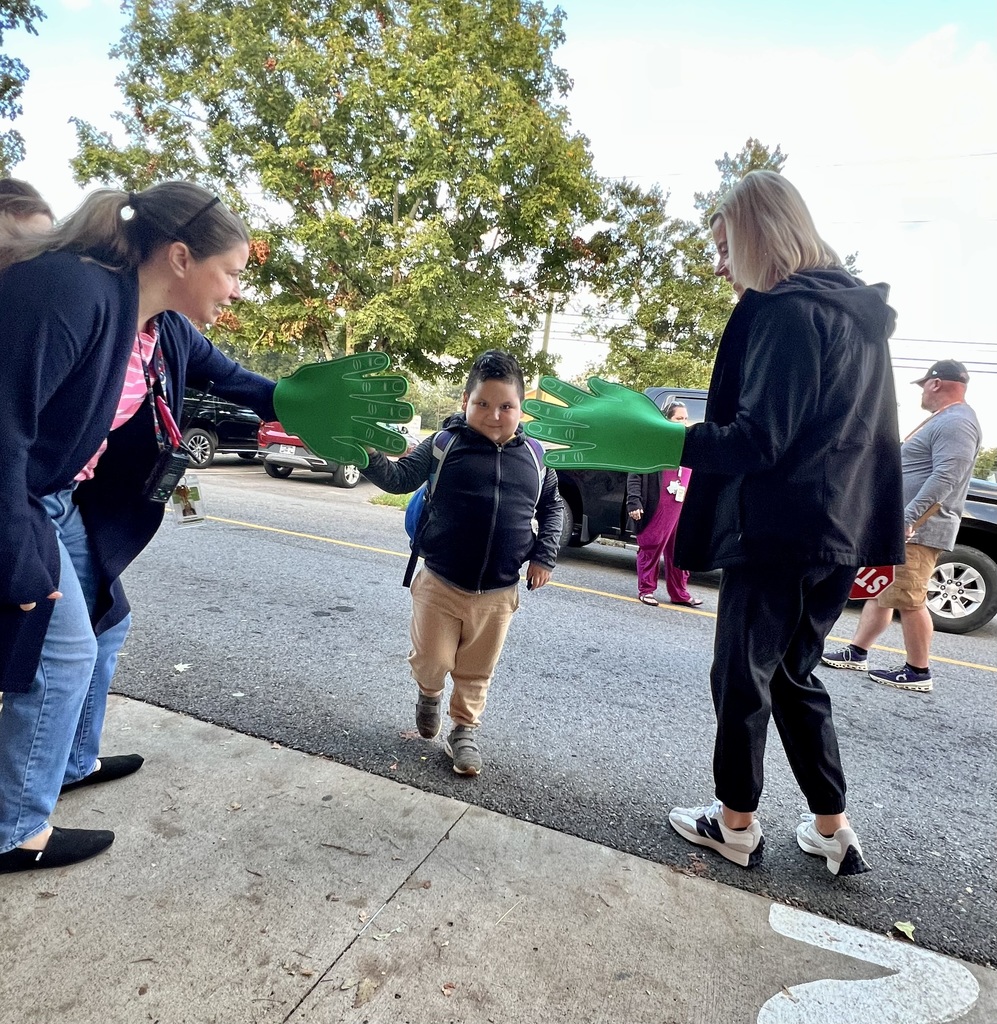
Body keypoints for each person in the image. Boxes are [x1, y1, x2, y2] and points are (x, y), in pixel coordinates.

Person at [0, 181, 279, 873]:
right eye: (231, 273)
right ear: (181, 257)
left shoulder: (162, 327)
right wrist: (17, 560)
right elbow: (4, 435)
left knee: (107, 623)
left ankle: (71, 762)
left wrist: (303, 403)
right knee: (63, 655)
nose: (236, 291)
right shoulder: (71, 291)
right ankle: (13, 830)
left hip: (61, 499)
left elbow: (241, 382)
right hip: (21, 501)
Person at [662, 171, 904, 875]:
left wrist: (665, 439)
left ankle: (734, 825)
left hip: (776, 530)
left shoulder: (785, 310)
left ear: (758, 236)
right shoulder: (854, 314)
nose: (719, 265)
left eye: (724, 246)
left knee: (741, 677)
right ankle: (832, 828)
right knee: (795, 676)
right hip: (839, 530)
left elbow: (757, 440)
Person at [362, 350, 563, 777]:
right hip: (440, 581)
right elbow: (399, 479)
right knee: (432, 660)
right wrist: (366, 452)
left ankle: (464, 731)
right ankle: (429, 693)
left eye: (506, 406)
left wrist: (544, 555)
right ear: (465, 402)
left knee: (476, 670)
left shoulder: (536, 456)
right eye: (482, 404)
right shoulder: (444, 444)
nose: (494, 415)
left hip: (499, 591)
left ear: (521, 408)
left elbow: (553, 507)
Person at [822, 359, 982, 692]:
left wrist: (908, 520)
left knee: (910, 598)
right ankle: (857, 652)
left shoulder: (957, 422)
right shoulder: (944, 419)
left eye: (924, 385)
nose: (922, 392)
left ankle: (918, 670)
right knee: (883, 591)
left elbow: (946, 477)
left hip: (918, 530)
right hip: (903, 527)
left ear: (936, 383)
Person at [626, 400, 702, 607]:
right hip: (659, 505)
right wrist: (634, 502)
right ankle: (646, 590)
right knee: (651, 545)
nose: (683, 422)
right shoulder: (653, 443)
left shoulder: (689, 445)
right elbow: (635, 473)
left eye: (685, 418)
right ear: (667, 419)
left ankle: (679, 593)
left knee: (679, 551)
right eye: (678, 418)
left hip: (681, 506)